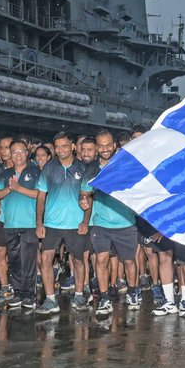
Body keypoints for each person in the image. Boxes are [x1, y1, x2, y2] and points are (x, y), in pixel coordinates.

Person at [81, 130, 143, 315]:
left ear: (115, 145)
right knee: (101, 260)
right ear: (96, 147)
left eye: (108, 145)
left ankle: (132, 292)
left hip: (126, 221)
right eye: (101, 146)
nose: (105, 149)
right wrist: (82, 201)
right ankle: (104, 298)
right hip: (101, 223)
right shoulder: (91, 169)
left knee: (129, 261)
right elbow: (84, 193)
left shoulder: (126, 164)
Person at [33, 133, 88, 315]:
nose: (60, 149)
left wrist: (85, 221)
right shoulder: (49, 167)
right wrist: (39, 223)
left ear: (73, 146)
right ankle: (50, 300)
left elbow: (88, 196)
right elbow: (41, 197)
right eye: (57, 146)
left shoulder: (83, 168)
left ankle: (79, 295)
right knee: (46, 260)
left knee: (78, 260)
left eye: (64, 146)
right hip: (52, 223)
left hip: (75, 223)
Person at [0, 138, 43, 311]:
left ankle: (29, 295)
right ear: (10, 155)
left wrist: (19, 188)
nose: (18, 155)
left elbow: (41, 194)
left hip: (29, 223)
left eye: (21, 151)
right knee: (14, 261)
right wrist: (9, 189)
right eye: (14, 152)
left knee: (28, 261)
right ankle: (18, 293)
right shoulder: (5, 173)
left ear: (27, 153)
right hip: (10, 223)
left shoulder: (36, 171)